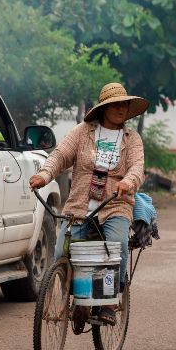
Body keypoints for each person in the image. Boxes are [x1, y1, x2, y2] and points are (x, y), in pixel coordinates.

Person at [28, 82, 148, 327]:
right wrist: (44, 175)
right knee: (62, 253)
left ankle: (108, 302)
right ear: (103, 108)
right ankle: (77, 299)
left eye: (124, 105)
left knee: (116, 246)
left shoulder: (132, 138)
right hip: (79, 206)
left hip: (115, 205)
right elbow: (60, 155)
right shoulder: (82, 132)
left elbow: (137, 167)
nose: (121, 109)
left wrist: (128, 181)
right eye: (115, 105)